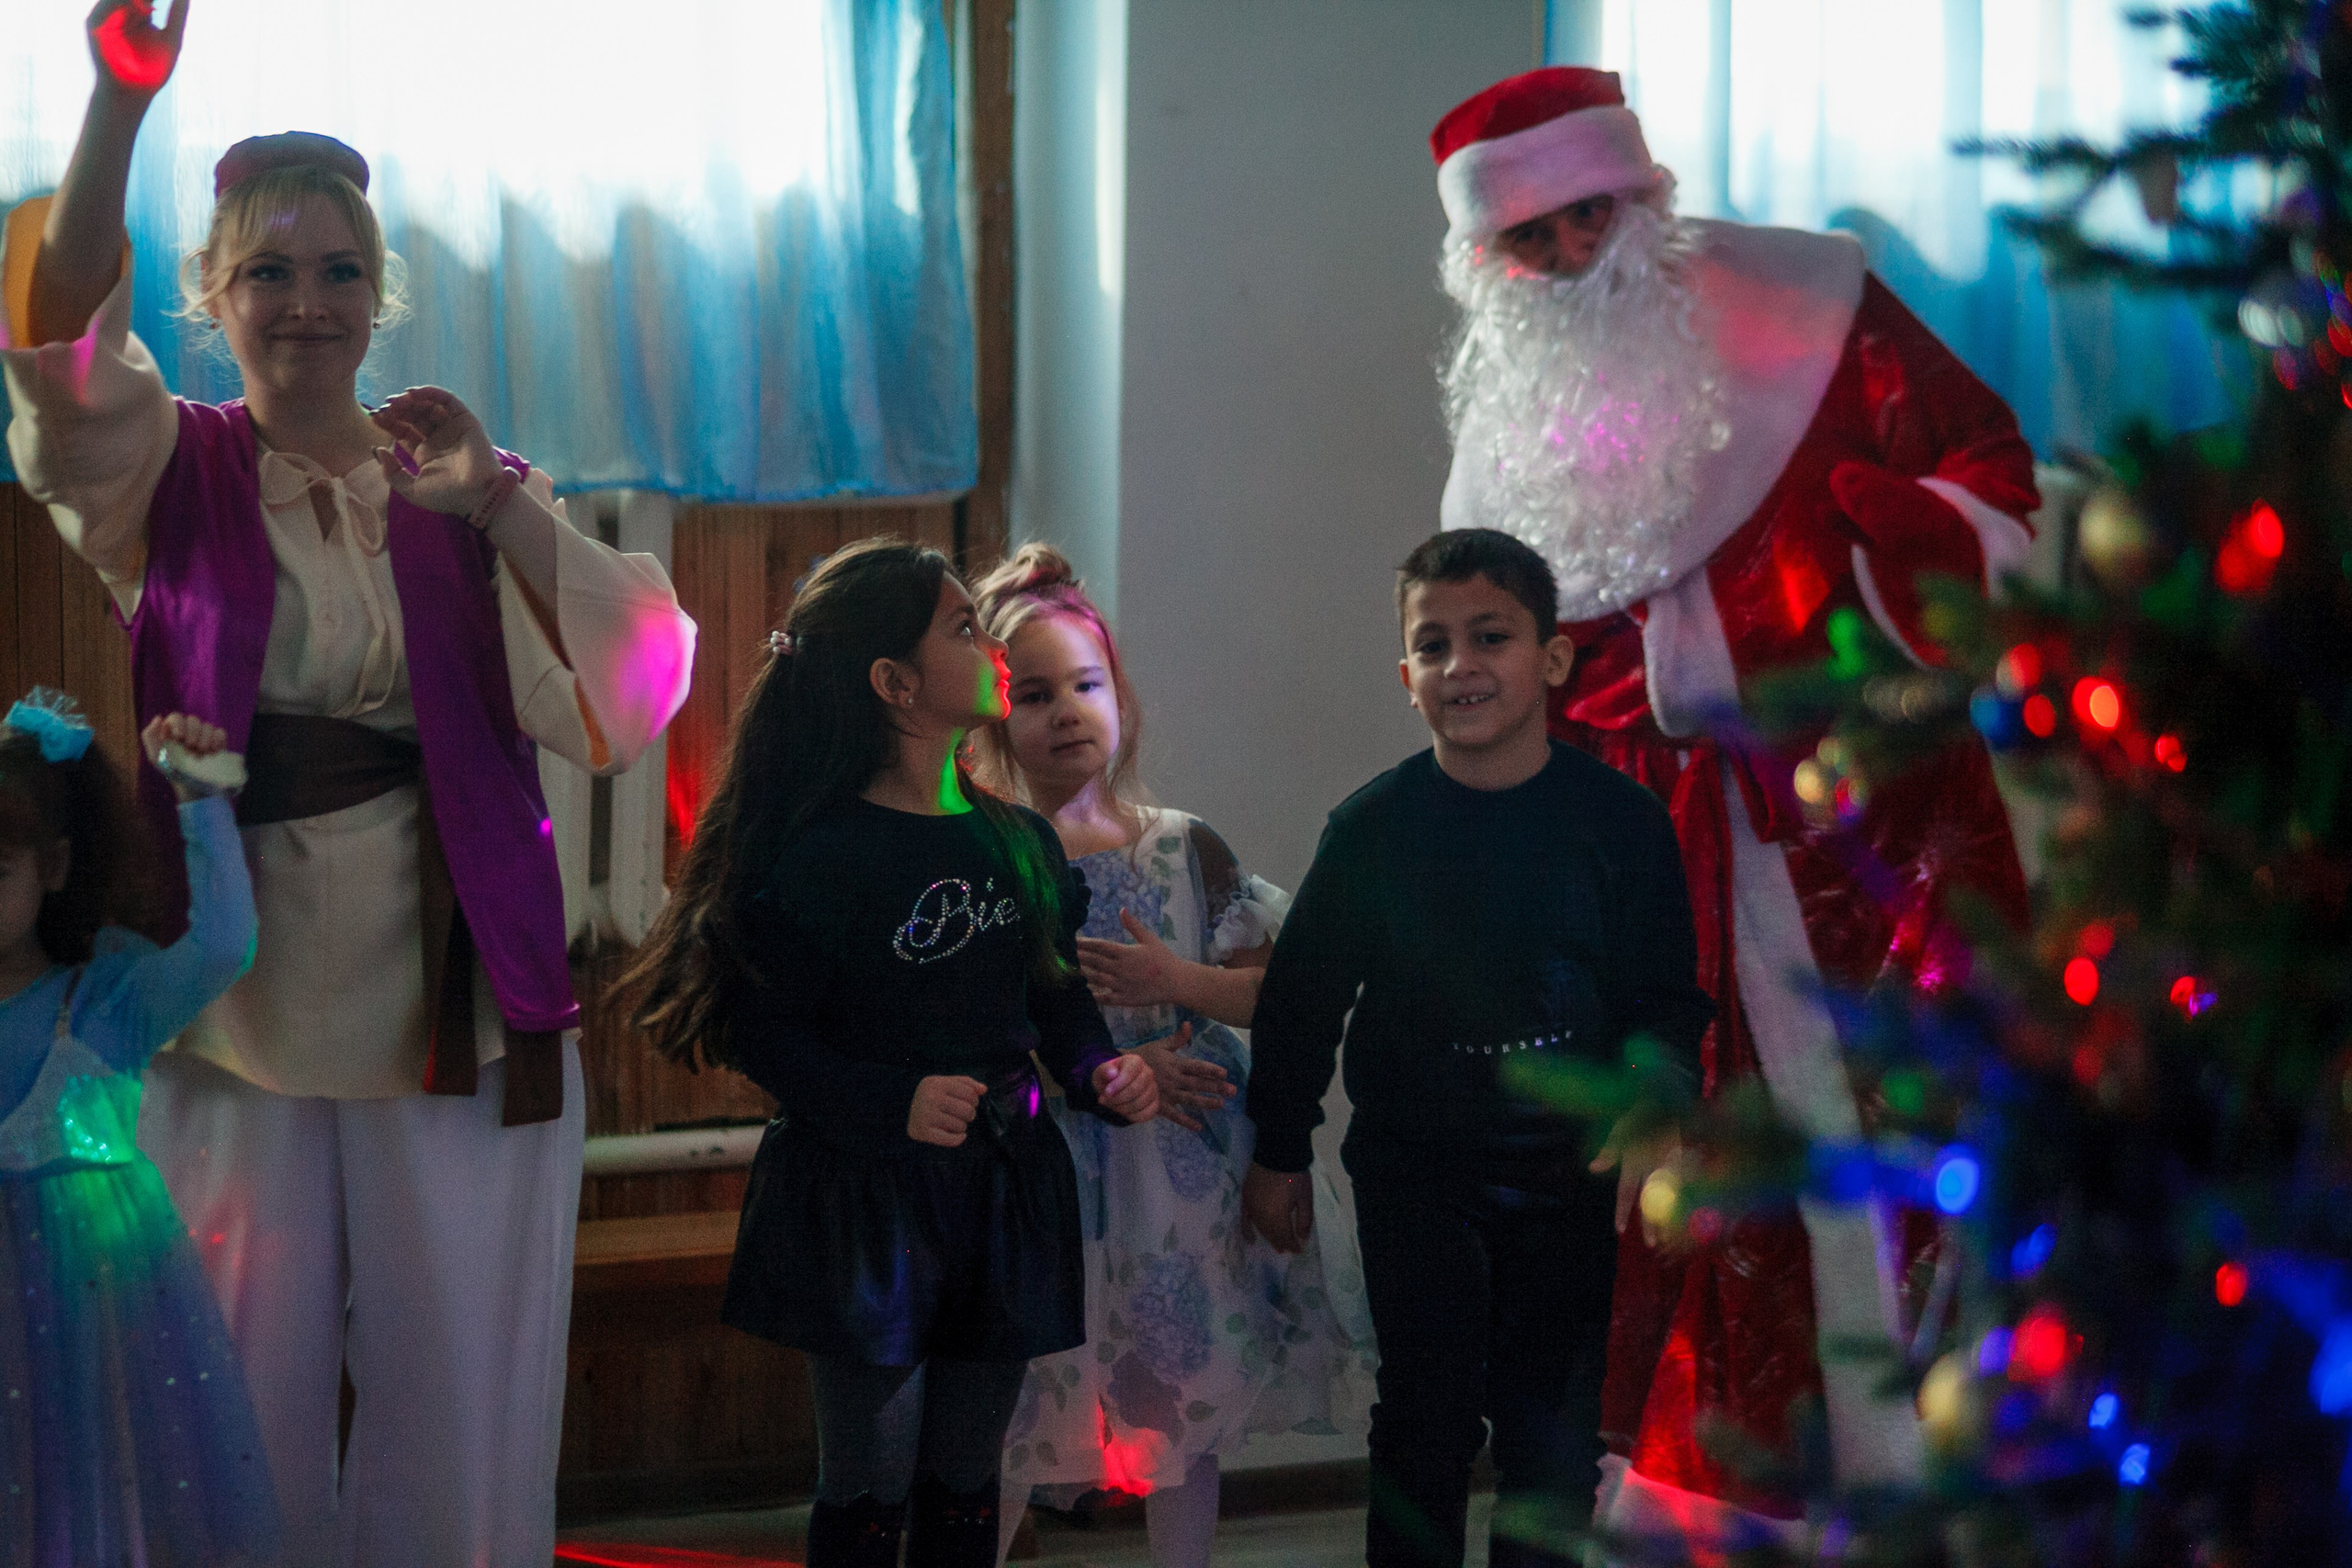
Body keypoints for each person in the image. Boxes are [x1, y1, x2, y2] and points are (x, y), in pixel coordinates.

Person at [0, 6, 697, 1562]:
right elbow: (51, 339)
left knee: (464, 1389)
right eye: (266, 270)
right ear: (212, 296)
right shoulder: (159, 470)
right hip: (224, 1009)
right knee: (230, 1381)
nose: (304, 304)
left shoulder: (458, 486)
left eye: (334, 272)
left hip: (460, 997)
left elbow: (634, 689)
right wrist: (119, 107)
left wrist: (503, 503)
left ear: (378, 296)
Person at [1428, 66, 2038, 1547]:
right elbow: (1509, 658)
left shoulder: (1812, 308)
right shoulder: (1501, 430)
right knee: (1699, 1208)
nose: (1574, 257)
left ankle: (1947, 1475)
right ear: (1486, 265)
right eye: (1535, 241)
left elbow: (1984, 470)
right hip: (1655, 863)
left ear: (1639, 195)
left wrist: (1900, 563)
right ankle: (1733, 1497)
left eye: (1591, 217)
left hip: (1872, 826)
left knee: (1919, 1157)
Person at [625, 538, 1161, 1568]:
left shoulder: (1019, 841)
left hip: (1003, 1188)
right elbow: (759, 1029)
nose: (989, 642)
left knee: (967, 1472)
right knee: (871, 1474)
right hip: (865, 1202)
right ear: (894, 684)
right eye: (964, 627)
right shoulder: (818, 855)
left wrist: (1098, 1071)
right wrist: (888, 1101)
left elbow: (1053, 995)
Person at [1241, 529, 1715, 1568]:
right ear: (1406, 675)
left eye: (1489, 637)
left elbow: (1666, 998)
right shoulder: (1372, 830)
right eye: (1435, 644)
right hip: (1417, 1176)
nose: (1462, 665)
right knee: (1426, 1423)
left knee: (1551, 1440)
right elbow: (1301, 999)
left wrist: (1654, 1113)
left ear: (1550, 658)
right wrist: (1278, 1145)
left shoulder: (1621, 824)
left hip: (1566, 1179)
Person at [969, 545, 1374, 1568]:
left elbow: (1278, 993)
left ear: (1120, 696)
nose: (1066, 711)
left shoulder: (1181, 845)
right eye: (1035, 694)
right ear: (991, 718)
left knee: (1179, 1414)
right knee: (1018, 1412)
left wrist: (1176, 986)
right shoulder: (987, 856)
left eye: (1086, 685)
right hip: (1053, 1167)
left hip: (1181, 1180)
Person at [0, 692, 272, 1566]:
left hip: (89, 1323)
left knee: (81, 1501)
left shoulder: (101, 1003)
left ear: (51, 867)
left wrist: (201, 803)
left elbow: (223, 945)